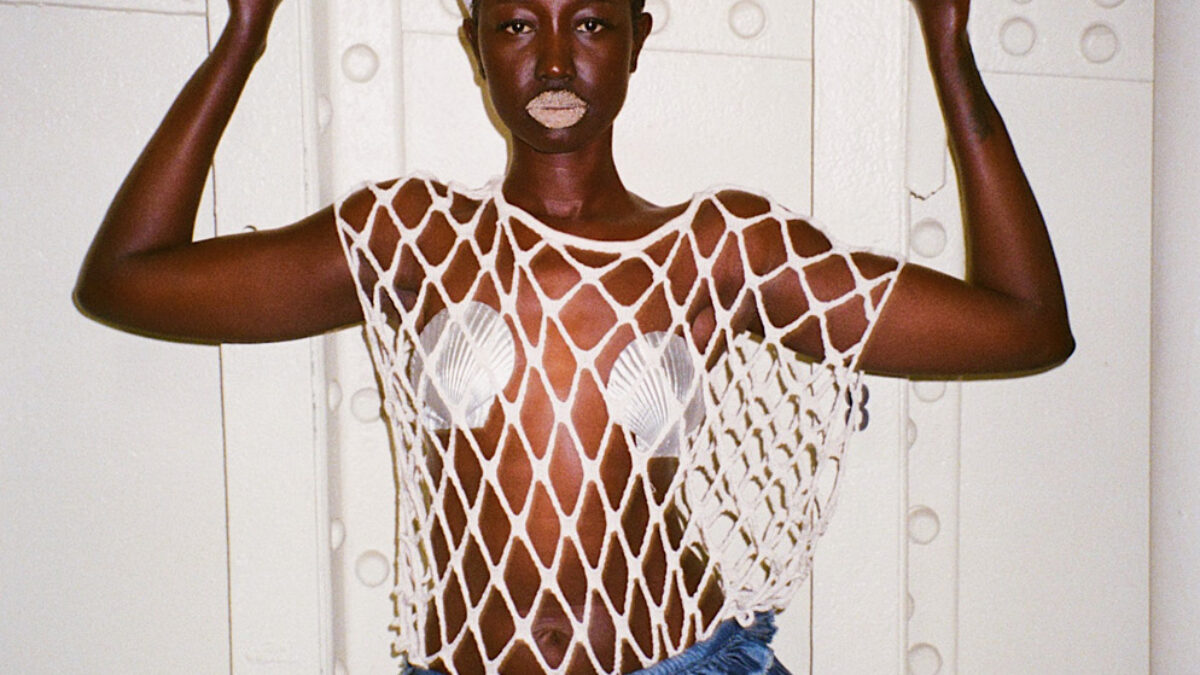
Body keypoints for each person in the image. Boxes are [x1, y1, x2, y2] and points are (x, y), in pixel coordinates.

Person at [75, 0, 1074, 672]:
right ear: (474, 45)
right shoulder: (414, 237)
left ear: (638, 39)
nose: (554, 62)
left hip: (680, 660)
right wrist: (245, 35)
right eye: (517, 24)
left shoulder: (716, 250)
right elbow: (127, 280)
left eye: (590, 22)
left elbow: (1026, 328)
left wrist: (950, 54)